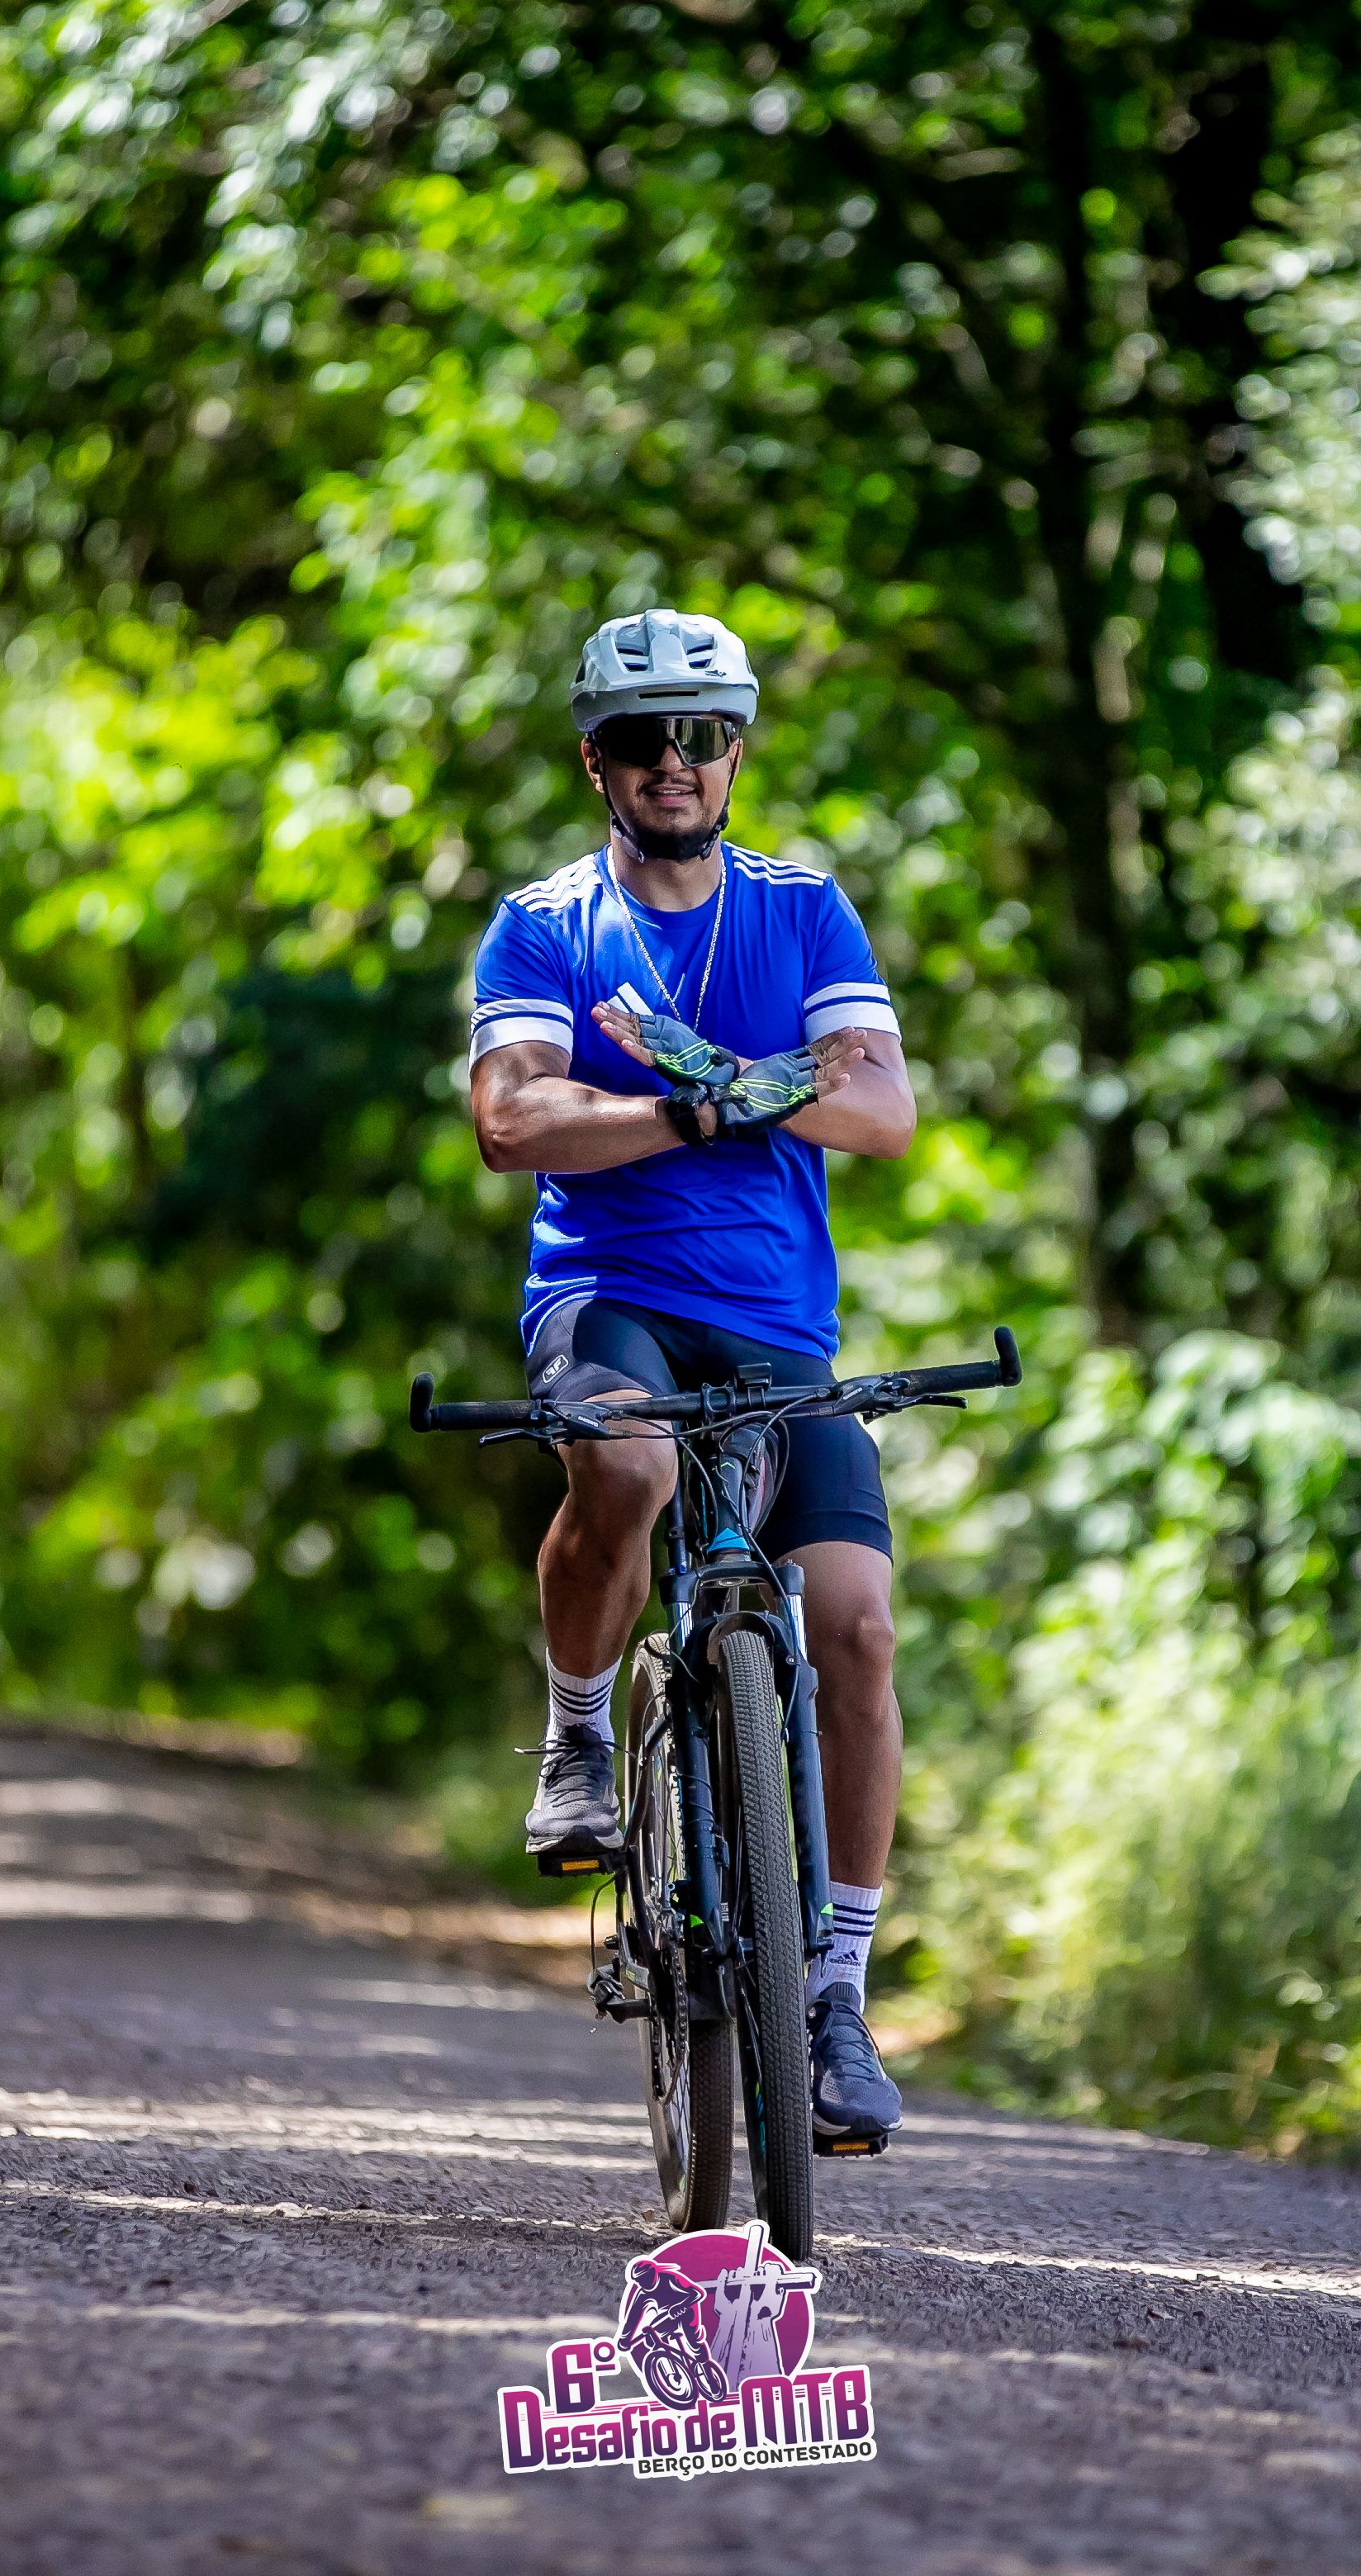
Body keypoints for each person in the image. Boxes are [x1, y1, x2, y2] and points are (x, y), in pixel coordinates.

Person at [460, 607, 919, 2154]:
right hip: (609, 1300)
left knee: (856, 1629)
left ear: (737, 753)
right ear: (596, 759)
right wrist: (710, 1108)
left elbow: (882, 1111)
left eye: (705, 735)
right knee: (630, 1464)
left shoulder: (804, 910)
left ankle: (835, 1995)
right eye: (645, 738)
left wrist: (693, 1077)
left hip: (780, 1327)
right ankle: (581, 1731)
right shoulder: (543, 925)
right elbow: (514, 1121)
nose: (678, 762)